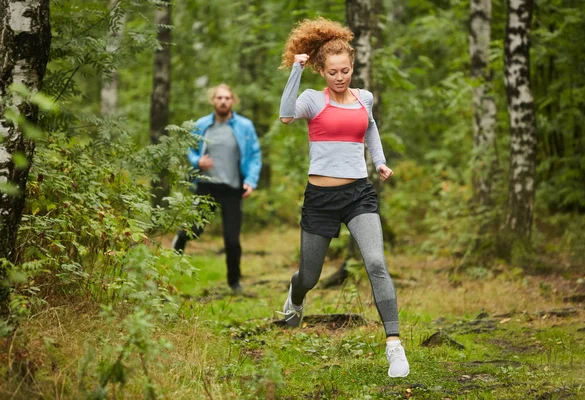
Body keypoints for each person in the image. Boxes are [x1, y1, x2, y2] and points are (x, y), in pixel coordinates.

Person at [277, 18, 409, 378]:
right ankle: (296, 295)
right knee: (310, 275)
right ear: (322, 70)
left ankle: (394, 345)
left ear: (352, 67)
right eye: (333, 71)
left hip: (358, 194)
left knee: (376, 263)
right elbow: (285, 116)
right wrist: (296, 71)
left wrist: (380, 162)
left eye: (346, 71)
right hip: (320, 197)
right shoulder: (311, 100)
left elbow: (371, 130)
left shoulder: (364, 98)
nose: (340, 77)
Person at [173, 83, 262, 292]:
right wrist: (197, 161)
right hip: (206, 186)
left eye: (227, 98)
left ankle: (234, 282)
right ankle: (180, 238)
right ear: (213, 101)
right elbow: (190, 149)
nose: (223, 101)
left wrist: (251, 180)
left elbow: (254, 155)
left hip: (232, 187)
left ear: (233, 101)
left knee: (232, 239)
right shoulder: (202, 125)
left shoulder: (245, 126)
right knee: (195, 228)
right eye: (219, 98)